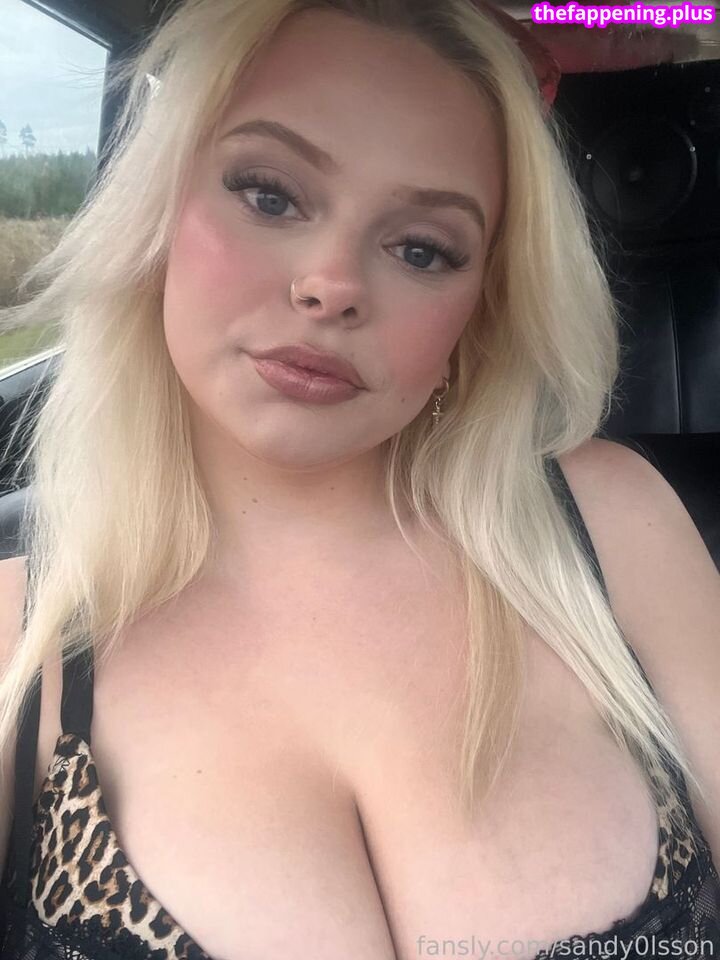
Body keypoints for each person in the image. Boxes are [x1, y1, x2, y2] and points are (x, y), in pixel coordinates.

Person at [0, 0, 718, 957]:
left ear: (480, 311)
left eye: (422, 249)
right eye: (269, 194)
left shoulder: (615, 526)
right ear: (157, 214)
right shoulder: (22, 636)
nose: (331, 283)